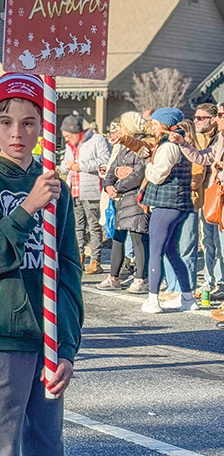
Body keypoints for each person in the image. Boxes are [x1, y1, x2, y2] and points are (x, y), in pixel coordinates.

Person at [0, 73, 83, 456]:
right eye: (7, 122)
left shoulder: (52, 185)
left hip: (47, 339)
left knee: (47, 446)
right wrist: (28, 207)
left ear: (43, 125)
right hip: (1, 335)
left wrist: (66, 346)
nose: (18, 133)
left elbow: (68, 270)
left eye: (30, 122)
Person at [137, 108, 198, 313]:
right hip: (180, 204)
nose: (152, 127)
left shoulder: (168, 146)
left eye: (155, 124)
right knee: (172, 250)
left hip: (166, 204)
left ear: (164, 124)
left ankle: (153, 300)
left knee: (155, 251)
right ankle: (188, 297)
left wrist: (147, 163)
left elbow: (157, 176)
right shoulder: (178, 142)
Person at [174, 102, 224, 301]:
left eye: (220, 115)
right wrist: (184, 143)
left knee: (219, 244)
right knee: (211, 242)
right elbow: (202, 158)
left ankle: (219, 282)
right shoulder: (220, 138)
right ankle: (213, 282)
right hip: (213, 197)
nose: (217, 119)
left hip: (211, 194)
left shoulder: (214, 136)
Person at [98, 113, 152, 294]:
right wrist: (108, 186)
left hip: (135, 198)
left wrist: (118, 186)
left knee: (138, 238)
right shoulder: (124, 148)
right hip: (120, 199)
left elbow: (138, 173)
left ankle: (141, 278)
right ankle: (113, 277)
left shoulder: (142, 144)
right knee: (117, 238)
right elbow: (113, 169)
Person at [60, 114, 111, 275]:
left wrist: (82, 166)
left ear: (76, 132)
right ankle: (79, 258)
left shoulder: (96, 140)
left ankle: (96, 260)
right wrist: (66, 165)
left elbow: (105, 160)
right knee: (77, 227)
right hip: (74, 190)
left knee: (94, 226)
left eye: (68, 136)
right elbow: (62, 165)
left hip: (91, 190)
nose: (67, 140)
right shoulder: (69, 146)